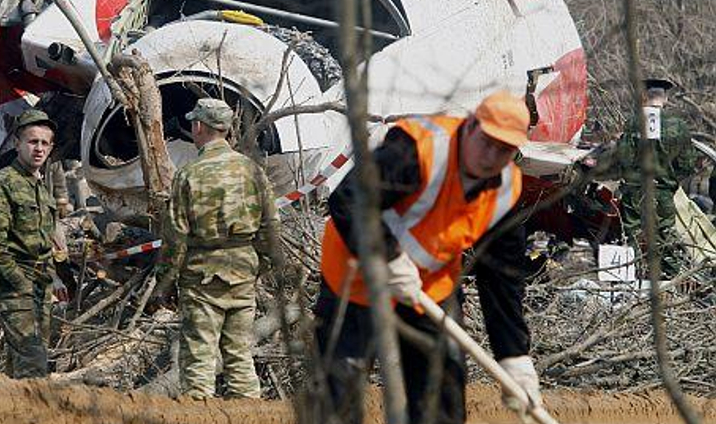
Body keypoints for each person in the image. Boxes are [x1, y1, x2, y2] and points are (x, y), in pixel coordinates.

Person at [314, 91, 539, 424]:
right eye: (487, 141)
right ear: (471, 126)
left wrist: (513, 355)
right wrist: (387, 256)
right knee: (341, 387)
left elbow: (502, 277)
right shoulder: (417, 150)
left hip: (429, 288)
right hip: (356, 277)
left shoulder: (506, 190)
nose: (491, 156)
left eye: (504, 149)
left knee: (443, 386)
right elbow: (348, 201)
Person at [151, 98, 279, 399]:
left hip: (201, 274)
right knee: (239, 354)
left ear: (198, 126)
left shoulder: (189, 174)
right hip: (243, 272)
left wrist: (164, 282)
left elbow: (175, 237)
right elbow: (271, 227)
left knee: (199, 359)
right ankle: (248, 413)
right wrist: (260, 264)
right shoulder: (253, 171)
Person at [0, 109, 59, 378]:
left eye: (44, 143)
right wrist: (20, 282)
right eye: (32, 141)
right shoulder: (2, 183)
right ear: (17, 144)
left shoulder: (39, 186)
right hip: (15, 284)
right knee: (33, 361)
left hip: (41, 283)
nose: (39, 149)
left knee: (26, 359)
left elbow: (44, 240)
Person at [614, 78, 699, 277]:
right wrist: (670, 180)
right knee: (666, 235)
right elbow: (688, 163)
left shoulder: (633, 123)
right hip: (663, 191)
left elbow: (623, 158)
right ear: (666, 98)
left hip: (635, 189)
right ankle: (670, 281)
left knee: (631, 235)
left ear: (644, 97)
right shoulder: (677, 125)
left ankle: (628, 280)